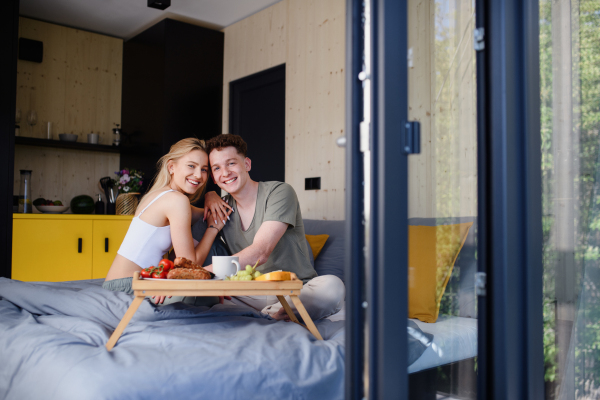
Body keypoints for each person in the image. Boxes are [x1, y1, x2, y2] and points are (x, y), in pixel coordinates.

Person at [196, 134, 345, 321]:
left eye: (231, 163)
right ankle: (275, 316)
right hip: (248, 293)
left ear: (247, 165)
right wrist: (209, 195)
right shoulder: (220, 207)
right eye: (217, 168)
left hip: (294, 290)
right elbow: (186, 217)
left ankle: (271, 315)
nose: (225, 173)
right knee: (196, 297)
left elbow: (260, 252)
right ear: (214, 177)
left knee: (333, 286)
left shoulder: (279, 192)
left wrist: (202, 274)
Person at [103, 138, 231, 305]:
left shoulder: (159, 195)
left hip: (121, 283)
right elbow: (190, 267)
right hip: (128, 288)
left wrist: (211, 195)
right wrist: (213, 228)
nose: (199, 175)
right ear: (171, 167)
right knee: (213, 298)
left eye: (204, 169)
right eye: (191, 166)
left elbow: (205, 215)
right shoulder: (176, 200)